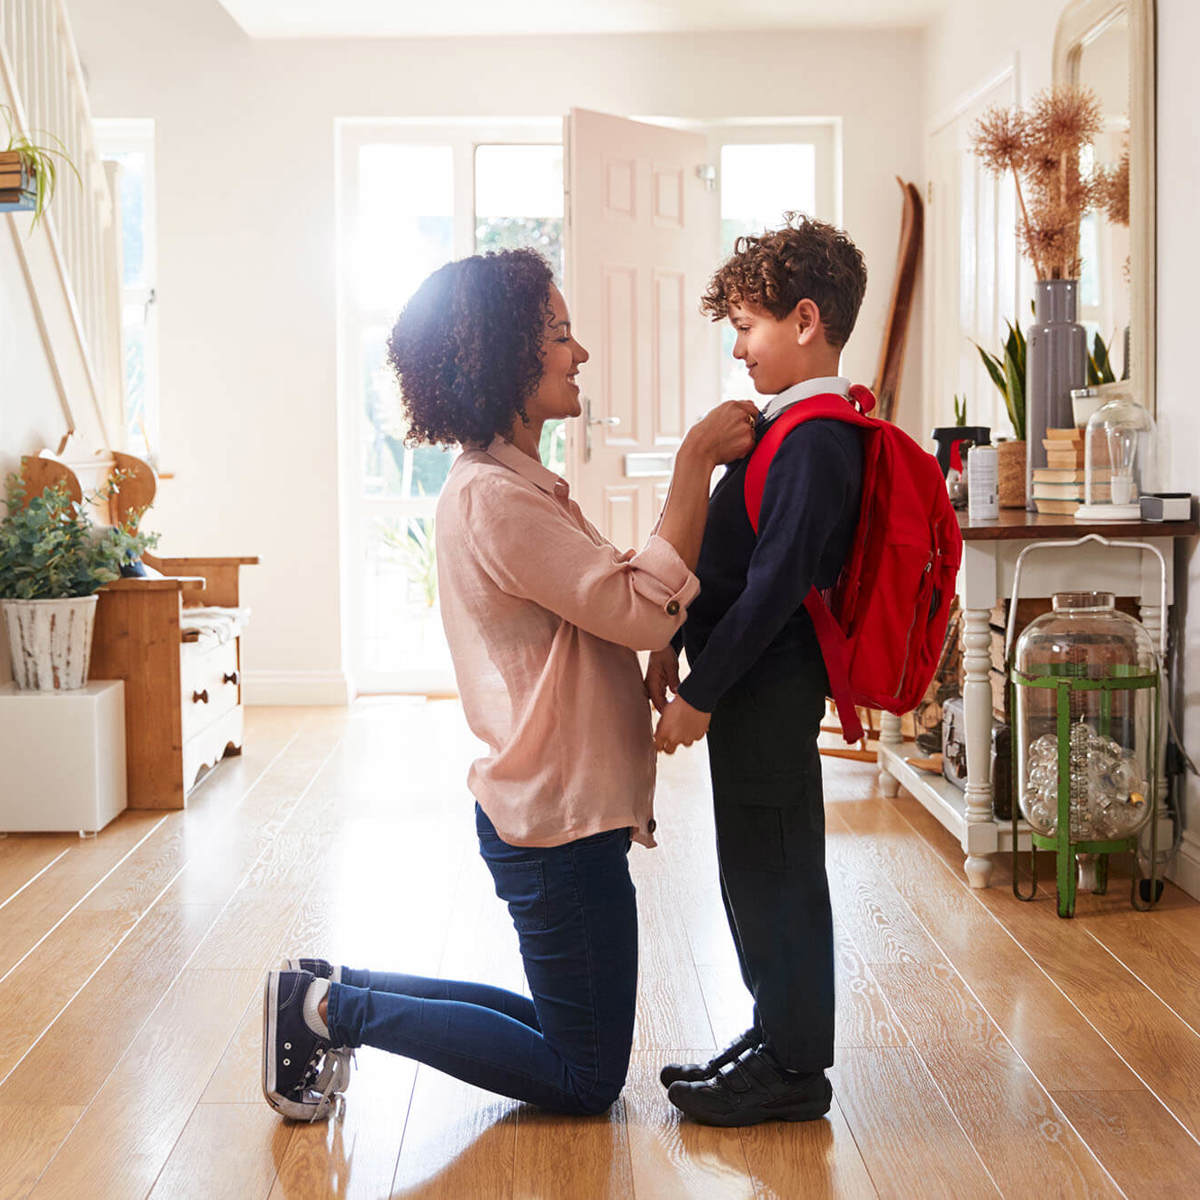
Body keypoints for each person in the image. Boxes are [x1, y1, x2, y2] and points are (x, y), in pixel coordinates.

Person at [261, 247, 758, 1121]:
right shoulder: (497, 498)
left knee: (568, 1031)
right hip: (558, 826)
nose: (581, 353)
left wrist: (644, 639)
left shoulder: (514, 484)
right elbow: (640, 606)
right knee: (584, 1074)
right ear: (502, 360)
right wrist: (693, 466)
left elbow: (604, 609)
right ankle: (332, 1012)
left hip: (557, 814)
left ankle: (329, 988)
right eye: (560, 335)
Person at [647, 215, 868, 1127]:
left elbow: (776, 586)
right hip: (750, 686)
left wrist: (701, 693)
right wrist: (672, 633)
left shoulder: (818, 436)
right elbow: (733, 562)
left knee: (776, 871)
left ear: (805, 319)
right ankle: (776, 1036)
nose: (737, 347)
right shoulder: (785, 428)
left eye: (747, 325)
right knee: (751, 865)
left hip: (767, 688)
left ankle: (795, 1067)